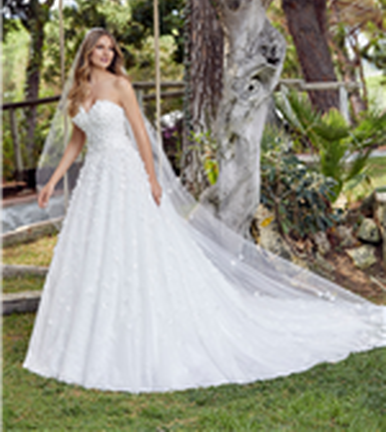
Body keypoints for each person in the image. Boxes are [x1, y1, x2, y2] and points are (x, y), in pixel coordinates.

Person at [24, 28, 385, 393]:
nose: (104, 53)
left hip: (123, 173)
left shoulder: (121, 87)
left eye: (109, 48)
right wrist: (54, 180)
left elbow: (141, 135)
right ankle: (96, 328)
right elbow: (76, 140)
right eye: (98, 48)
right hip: (95, 180)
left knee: (135, 246)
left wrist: (152, 178)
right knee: (96, 250)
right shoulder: (80, 92)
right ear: (87, 52)